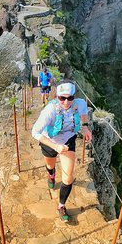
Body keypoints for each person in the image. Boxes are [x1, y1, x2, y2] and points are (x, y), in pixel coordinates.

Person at [31, 81, 92, 222]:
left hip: (68, 140)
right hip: (50, 141)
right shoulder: (50, 110)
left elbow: (83, 114)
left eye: (70, 98)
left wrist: (86, 128)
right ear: (57, 96)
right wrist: (55, 146)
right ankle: (51, 175)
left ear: (74, 97)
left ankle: (61, 206)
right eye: (62, 98)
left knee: (68, 176)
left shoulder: (79, 103)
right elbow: (35, 131)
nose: (66, 102)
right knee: (50, 166)